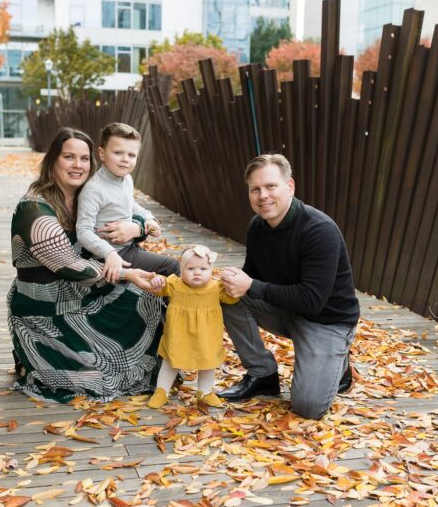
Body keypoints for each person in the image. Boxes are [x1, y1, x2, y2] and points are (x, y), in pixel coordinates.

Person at [7, 127, 165, 403]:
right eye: (69, 157)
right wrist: (127, 273)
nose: (78, 165)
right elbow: (70, 266)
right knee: (92, 378)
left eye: (84, 158)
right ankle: (31, 353)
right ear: (53, 159)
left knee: (149, 300)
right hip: (45, 301)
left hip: (85, 288)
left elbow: (129, 212)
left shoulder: (86, 195)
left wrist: (137, 227)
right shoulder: (34, 209)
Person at [218, 153, 359, 420]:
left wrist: (250, 285)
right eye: (255, 189)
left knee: (308, 407)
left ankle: (338, 360)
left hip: (326, 321)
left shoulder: (319, 230)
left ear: (290, 186)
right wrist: (225, 282)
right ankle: (262, 374)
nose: (263, 196)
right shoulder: (257, 226)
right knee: (228, 295)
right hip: (286, 308)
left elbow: (312, 300)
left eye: (271, 186)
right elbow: (252, 275)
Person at [76, 122, 180, 283]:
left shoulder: (126, 179)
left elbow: (131, 205)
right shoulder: (94, 189)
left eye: (131, 155)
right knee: (171, 266)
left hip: (129, 247)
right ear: (102, 154)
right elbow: (83, 230)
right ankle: (176, 307)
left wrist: (148, 218)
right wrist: (109, 253)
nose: (125, 159)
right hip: (113, 254)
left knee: (159, 274)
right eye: (118, 153)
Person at [144, 245, 240, 409]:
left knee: (208, 362)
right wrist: (157, 280)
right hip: (178, 334)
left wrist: (233, 283)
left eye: (203, 268)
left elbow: (231, 298)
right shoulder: (175, 284)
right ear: (182, 269)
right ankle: (161, 391)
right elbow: (160, 289)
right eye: (190, 268)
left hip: (207, 335)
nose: (197, 272)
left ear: (211, 270)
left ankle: (205, 391)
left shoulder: (216, 288)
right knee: (171, 361)